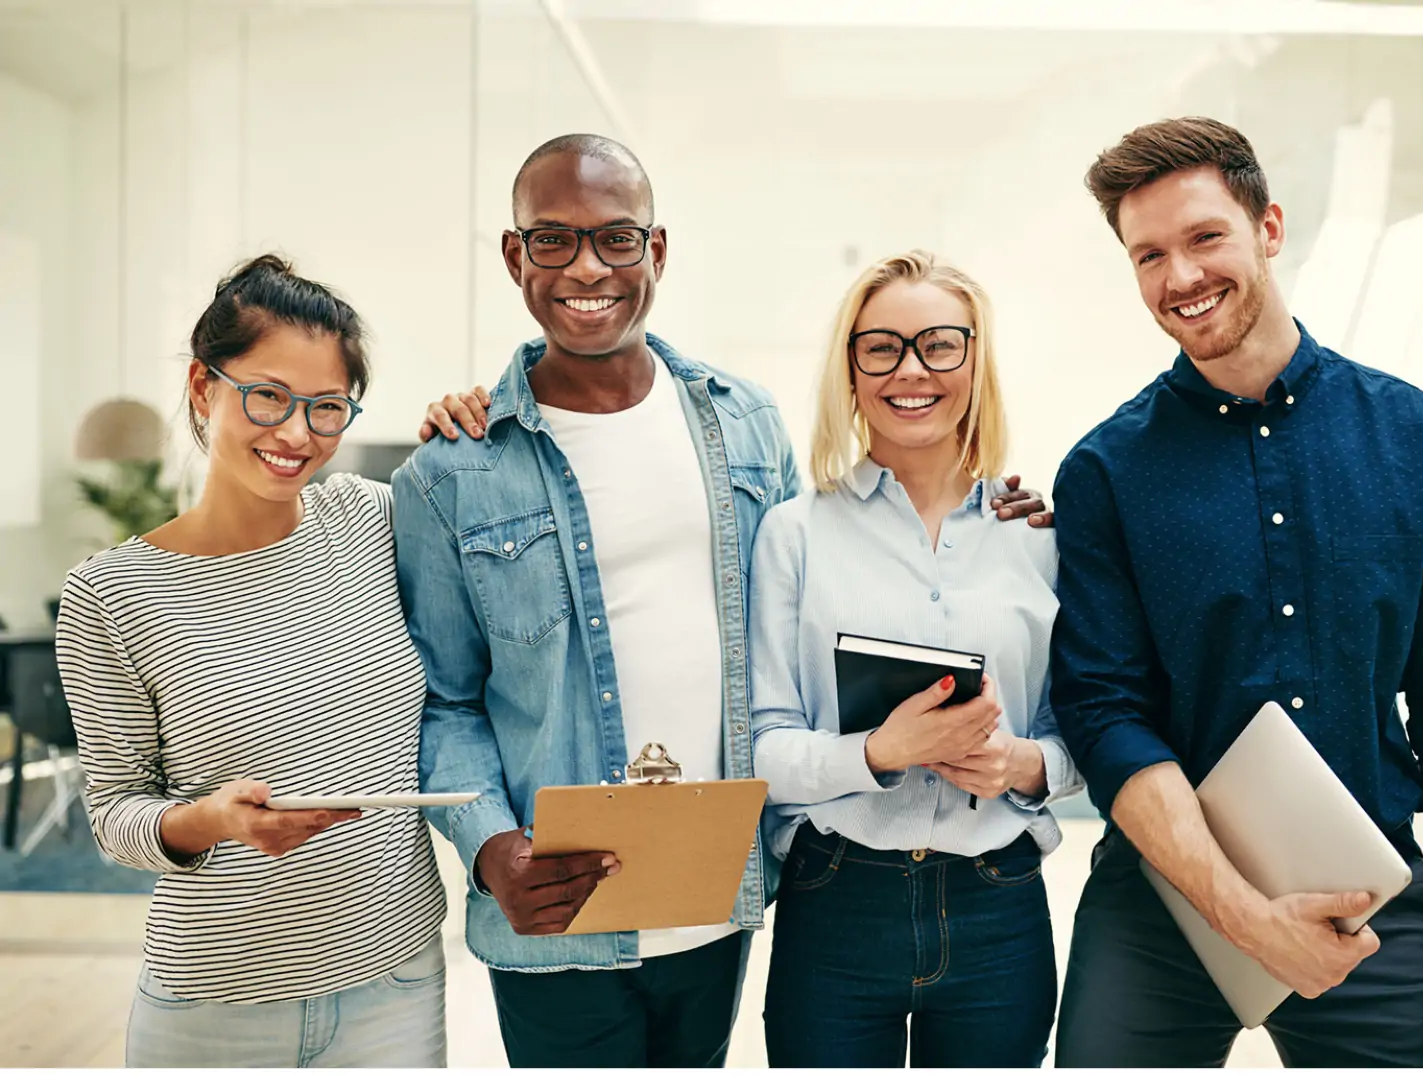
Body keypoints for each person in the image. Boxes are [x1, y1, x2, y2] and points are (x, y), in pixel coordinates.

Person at [398, 134, 1052, 1069]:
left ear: (656, 252)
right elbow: (445, 698)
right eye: (553, 240)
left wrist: (1001, 508)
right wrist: (490, 848)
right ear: (515, 256)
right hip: (559, 905)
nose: (588, 266)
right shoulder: (452, 471)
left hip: (715, 898)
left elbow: (809, 611)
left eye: (617, 239)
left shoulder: (744, 423)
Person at [1048, 117, 1423, 1068]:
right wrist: (1247, 915)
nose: (1179, 277)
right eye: (1149, 255)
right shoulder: (1104, 471)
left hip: (1369, 894)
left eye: (1204, 238)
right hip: (1162, 902)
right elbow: (1106, 714)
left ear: (1268, 227)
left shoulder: (1418, 439)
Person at [53, 255, 458, 1068]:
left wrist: (475, 417)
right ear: (204, 388)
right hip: (214, 1005)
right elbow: (115, 814)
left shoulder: (373, 520)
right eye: (267, 395)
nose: (297, 433)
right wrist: (212, 820)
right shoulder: (110, 595)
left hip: (396, 983)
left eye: (327, 407)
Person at [747, 250, 1081, 1068]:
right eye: (881, 347)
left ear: (974, 359)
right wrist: (877, 753)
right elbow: (761, 746)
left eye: (939, 344)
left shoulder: (1041, 537)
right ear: (851, 369)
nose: (911, 370)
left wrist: (1022, 765)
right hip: (837, 901)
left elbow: (1087, 735)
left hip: (996, 905)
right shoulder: (795, 534)